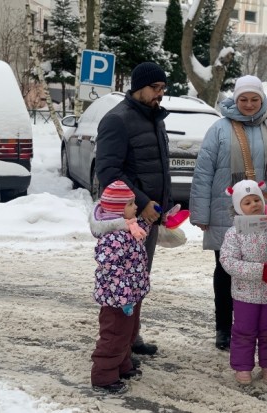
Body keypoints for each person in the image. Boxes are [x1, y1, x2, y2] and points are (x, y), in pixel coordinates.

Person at [189, 75, 267, 351]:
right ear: (235, 99)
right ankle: (224, 327)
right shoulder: (219, 130)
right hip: (227, 214)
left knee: (261, 267)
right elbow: (203, 173)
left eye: (253, 99)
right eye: (242, 99)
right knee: (226, 270)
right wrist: (200, 213)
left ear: (262, 100)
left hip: (266, 214)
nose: (248, 104)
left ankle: (255, 325)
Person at [96, 61, 173, 359]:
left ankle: (130, 337)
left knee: (139, 281)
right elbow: (109, 172)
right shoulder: (117, 120)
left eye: (163, 88)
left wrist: (163, 204)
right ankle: (116, 348)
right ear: (138, 87)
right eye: (155, 88)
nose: (160, 94)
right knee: (122, 283)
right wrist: (143, 202)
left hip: (150, 217)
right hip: (128, 218)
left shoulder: (155, 118)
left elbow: (157, 167)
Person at [219, 180, 267, 385]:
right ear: (238, 207)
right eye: (247, 202)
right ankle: (242, 367)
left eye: (256, 199)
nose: (253, 204)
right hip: (246, 293)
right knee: (244, 331)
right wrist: (260, 271)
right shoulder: (234, 233)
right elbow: (228, 261)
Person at [90, 180, 151, 394]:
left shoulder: (129, 227)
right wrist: (124, 298)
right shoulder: (112, 238)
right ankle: (103, 376)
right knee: (114, 336)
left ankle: (122, 365)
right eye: (131, 204)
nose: (135, 207)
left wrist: (158, 217)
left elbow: (142, 229)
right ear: (118, 209)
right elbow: (112, 271)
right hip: (117, 300)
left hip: (129, 296)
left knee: (128, 333)